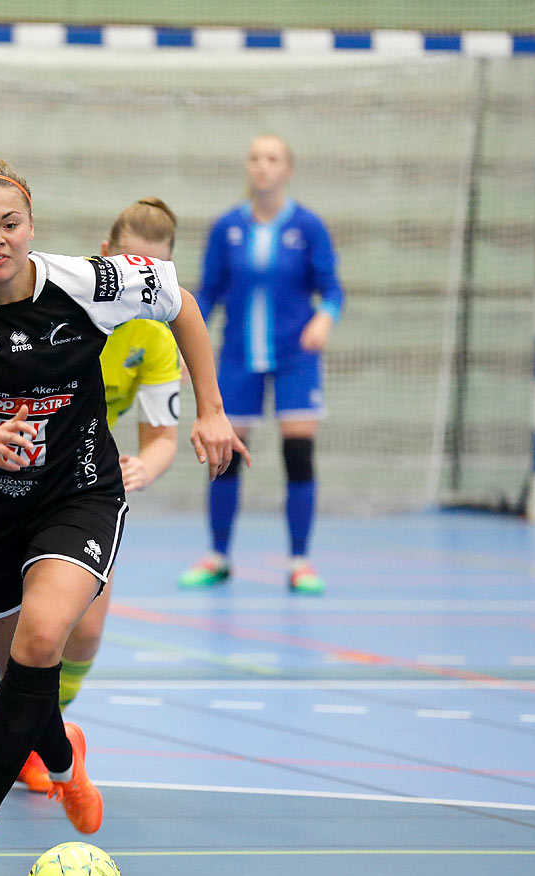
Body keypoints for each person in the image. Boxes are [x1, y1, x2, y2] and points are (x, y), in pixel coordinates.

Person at [0, 159, 247, 876]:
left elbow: (181, 301)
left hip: (79, 492)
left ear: (30, 228)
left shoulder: (88, 284)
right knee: (22, 681)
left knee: (43, 634)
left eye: (10, 223)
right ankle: (65, 760)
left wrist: (211, 411)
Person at [0, 198, 184, 795]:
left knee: (83, 630)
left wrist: (143, 469)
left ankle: (33, 723)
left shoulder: (153, 338)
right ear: (108, 256)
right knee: (39, 625)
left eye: (156, 269)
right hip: (12, 479)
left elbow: (161, 437)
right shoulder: (67, 298)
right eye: (135, 263)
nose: (143, 280)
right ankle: (4, 685)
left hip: (81, 482)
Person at [177, 133, 343, 594]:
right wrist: (192, 349)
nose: (263, 167)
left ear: (287, 169)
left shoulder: (308, 227)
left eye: (272, 159)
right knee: (225, 454)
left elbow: (332, 288)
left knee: (299, 454)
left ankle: (300, 562)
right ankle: (218, 556)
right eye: (255, 158)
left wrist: (325, 319)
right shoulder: (227, 227)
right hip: (237, 357)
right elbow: (205, 294)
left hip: (295, 357)